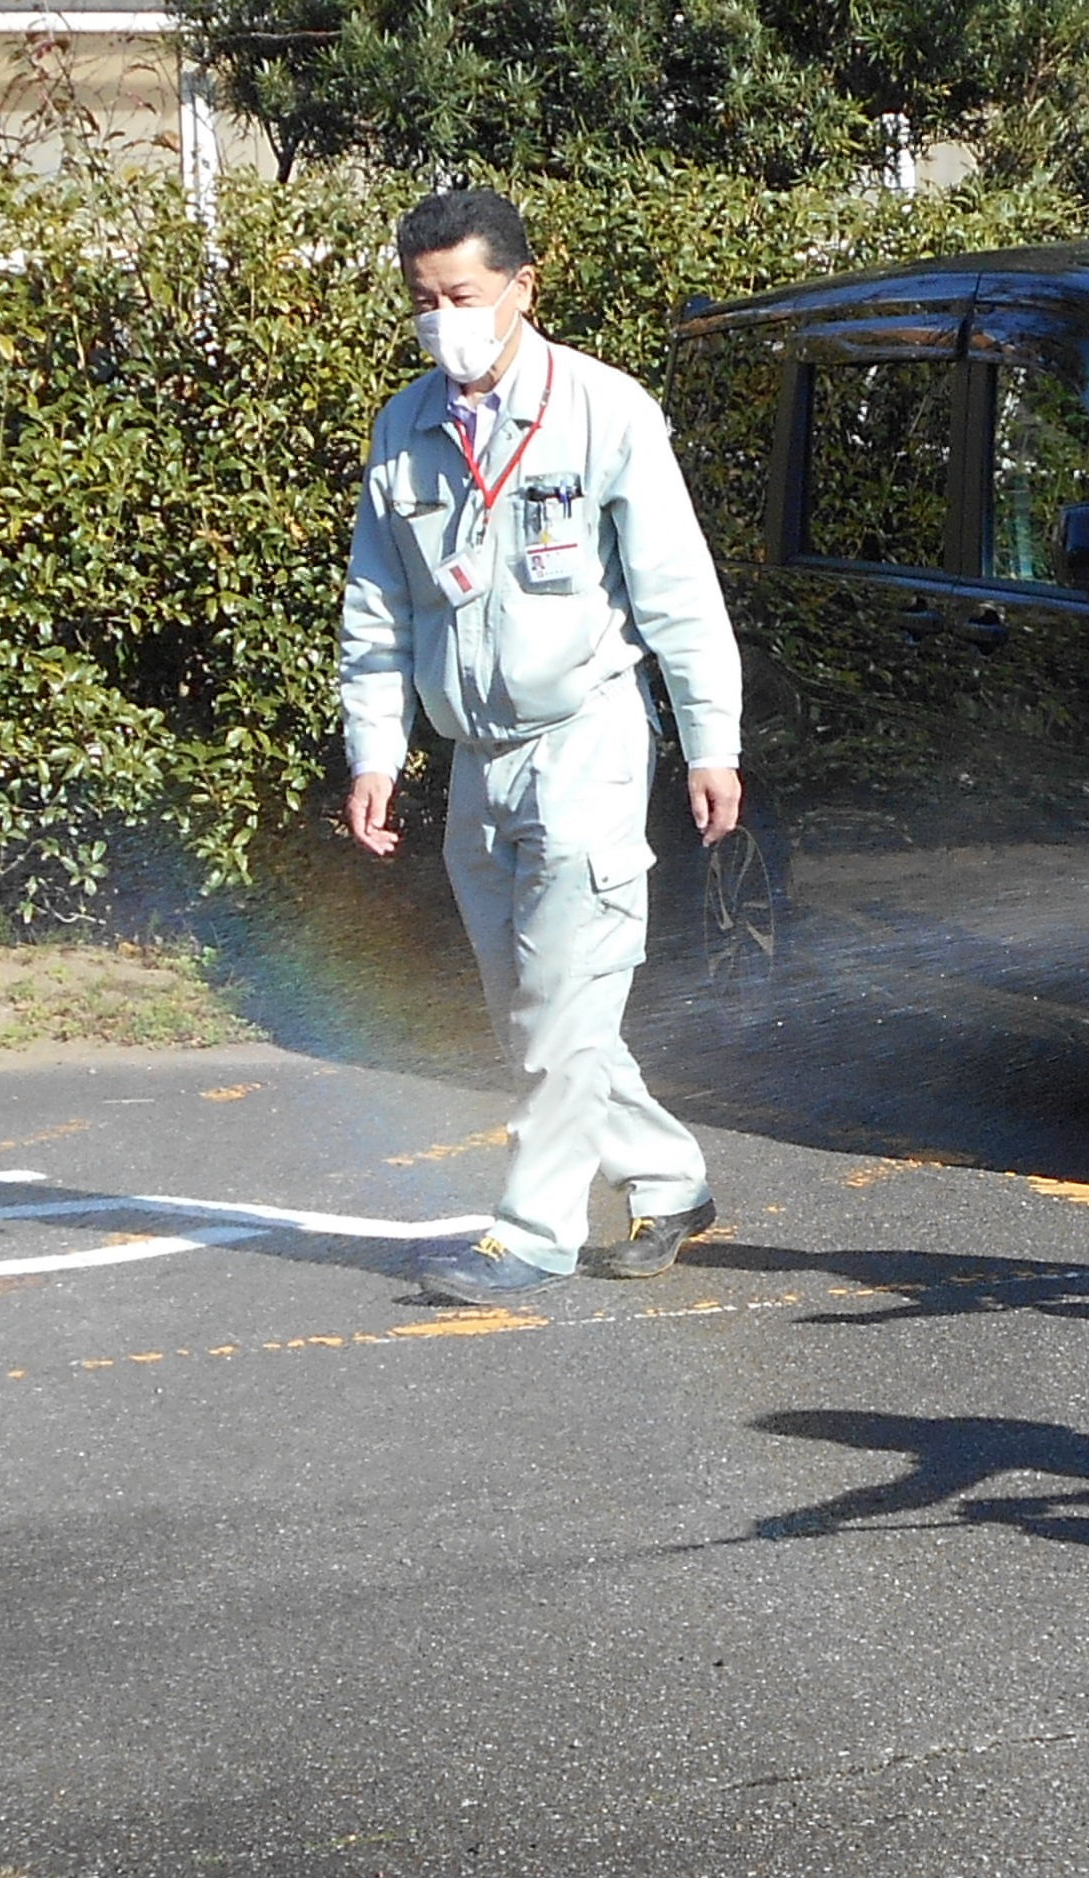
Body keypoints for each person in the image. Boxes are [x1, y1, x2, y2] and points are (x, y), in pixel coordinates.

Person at [338, 186, 743, 1308]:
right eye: (422, 300)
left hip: (587, 738)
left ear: (522, 286)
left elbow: (678, 593)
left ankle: (533, 1233)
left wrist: (710, 742)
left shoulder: (606, 411)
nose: (441, 321)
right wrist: (375, 752)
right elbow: (378, 610)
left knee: (562, 1004)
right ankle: (668, 1178)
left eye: (462, 295)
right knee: (535, 1009)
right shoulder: (404, 428)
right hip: (478, 756)